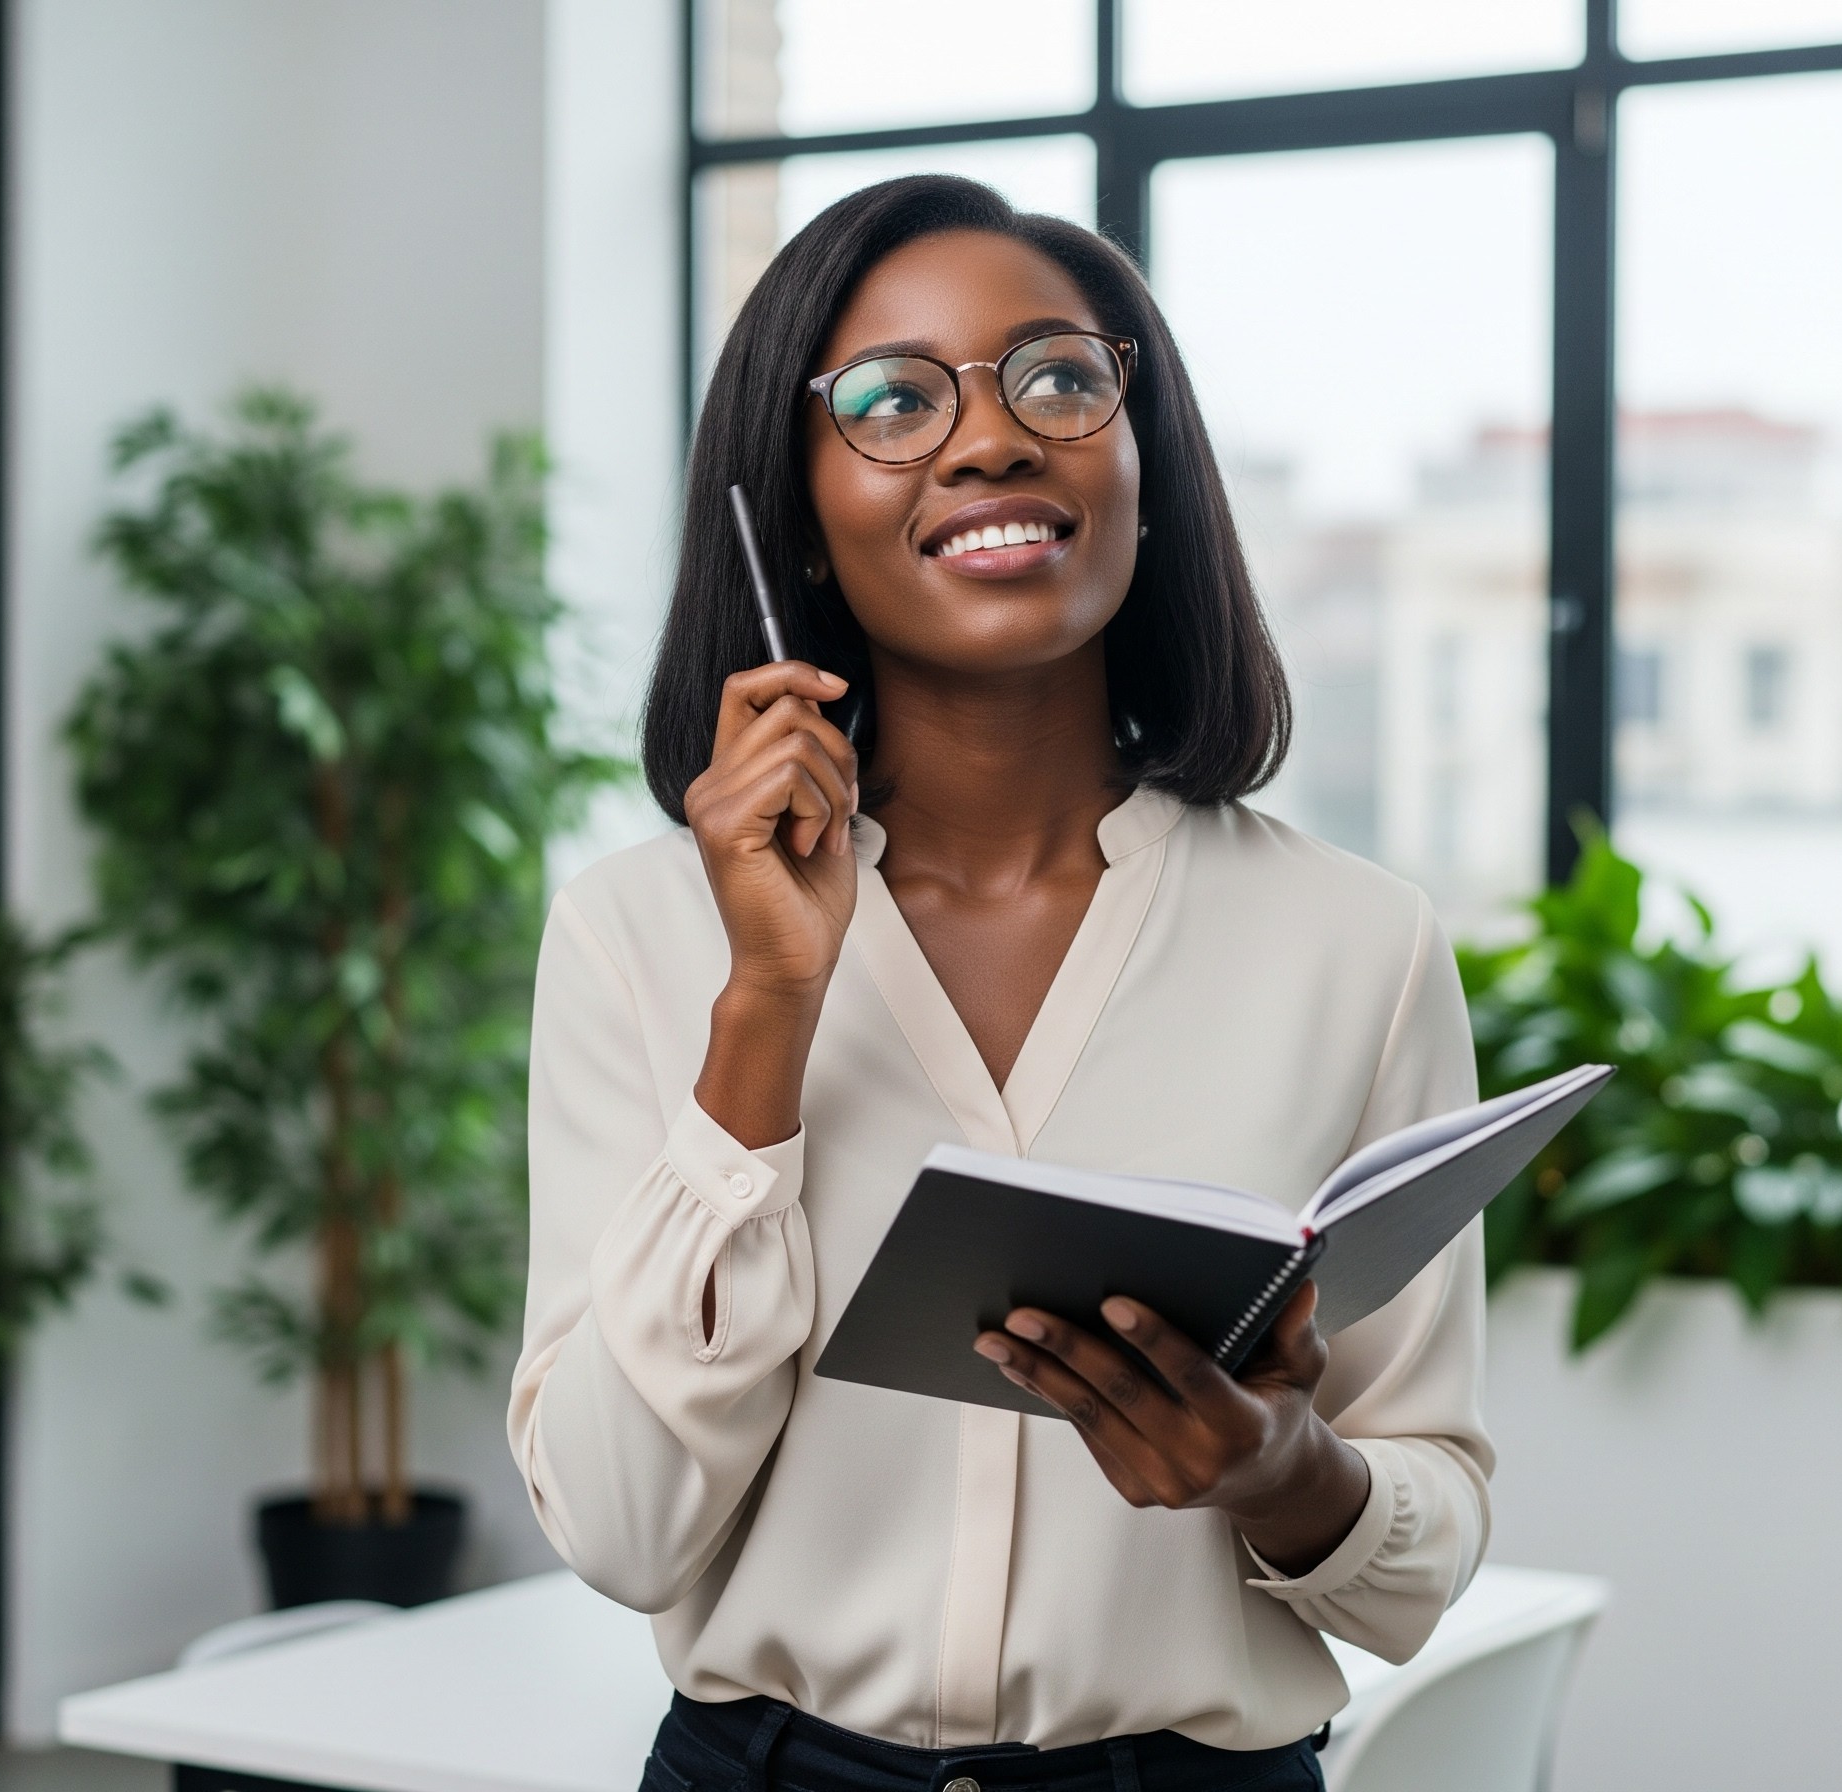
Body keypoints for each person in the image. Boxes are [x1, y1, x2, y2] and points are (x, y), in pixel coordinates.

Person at [509, 175, 1492, 1792]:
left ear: (1142, 469)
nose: (991, 440)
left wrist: (1280, 1472)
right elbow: (620, 1529)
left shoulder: (1355, 945)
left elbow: (1423, 1555)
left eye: (1057, 378)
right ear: (798, 512)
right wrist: (766, 1010)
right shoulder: (639, 933)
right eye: (895, 401)